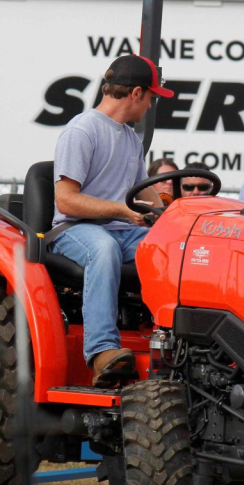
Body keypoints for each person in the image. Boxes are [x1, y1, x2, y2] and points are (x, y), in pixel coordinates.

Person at [50, 54, 169, 385]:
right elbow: (66, 199)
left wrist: (171, 218)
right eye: (151, 97)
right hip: (75, 229)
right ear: (135, 94)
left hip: (123, 231)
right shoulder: (82, 131)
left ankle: (171, 340)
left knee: (171, 251)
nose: (150, 105)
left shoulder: (131, 139)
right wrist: (122, 210)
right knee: (104, 249)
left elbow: (147, 196)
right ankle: (102, 351)